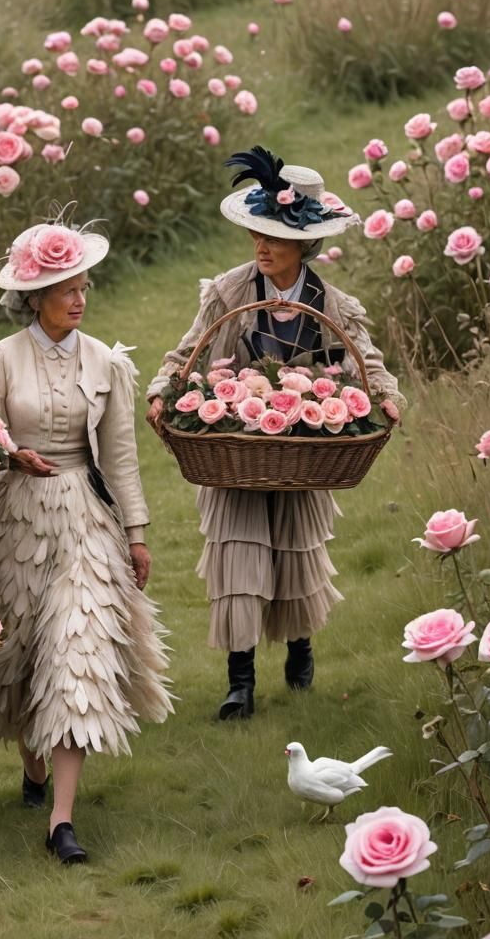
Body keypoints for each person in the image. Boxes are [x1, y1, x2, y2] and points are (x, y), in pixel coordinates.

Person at [146, 147, 404, 721]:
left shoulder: (331, 304)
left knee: (294, 554)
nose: (261, 249)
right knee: (236, 556)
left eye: (275, 239)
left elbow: (367, 358)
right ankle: (240, 681)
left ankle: (300, 649)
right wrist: (164, 387)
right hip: (235, 444)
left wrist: (386, 397)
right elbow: (187, 350)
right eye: (256, 237)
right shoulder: (229, 292)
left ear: (304, 246)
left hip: (301, 451)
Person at [0, 219, 174, 865]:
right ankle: (32, 773)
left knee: (75, 652)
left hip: (85, 515)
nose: (79, 299)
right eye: (65, 289)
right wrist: (9, 455)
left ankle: (61, 820)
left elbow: (121, 458)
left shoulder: (106, 362)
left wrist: (135, 536)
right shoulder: (1, 358)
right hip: (15, 520)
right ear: (36, 299)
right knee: (19, 657)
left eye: (84, 287)